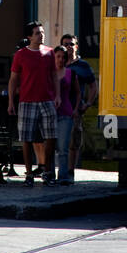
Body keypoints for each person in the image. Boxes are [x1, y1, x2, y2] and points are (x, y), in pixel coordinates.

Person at [8, 22, 58, 185]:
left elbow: (54, 76)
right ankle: (29, 173)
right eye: (37, 33)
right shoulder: (21, 55)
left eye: (42, 32)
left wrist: (58, 96)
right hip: (27, 101)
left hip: (47, 100)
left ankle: (48, 171)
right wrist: (10, 101)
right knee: (26, 138)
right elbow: (14, 79)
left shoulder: (50, 53)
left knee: (51, 137)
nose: (41, 35)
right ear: (29, 36)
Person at [61, 33, 97, 181]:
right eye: (66, 44)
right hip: (59, 107)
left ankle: (70, 171)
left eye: (71, 44)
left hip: (75, 108)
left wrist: (88, 103)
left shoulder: (83, 65)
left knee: (73, 141)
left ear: (76, 46)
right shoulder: (58, 62)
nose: (69, 46)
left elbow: (93, 86)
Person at [53, 45, 80, 184]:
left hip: (65, 113)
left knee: (63, 147)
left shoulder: (70, 73)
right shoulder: (49, 73)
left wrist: (76, 109)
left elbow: (77, 92)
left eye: (63, 57)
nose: (61, 59)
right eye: (58, 56)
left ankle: (63, 176)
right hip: (50, 113)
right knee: (50, 147)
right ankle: (49, 174)